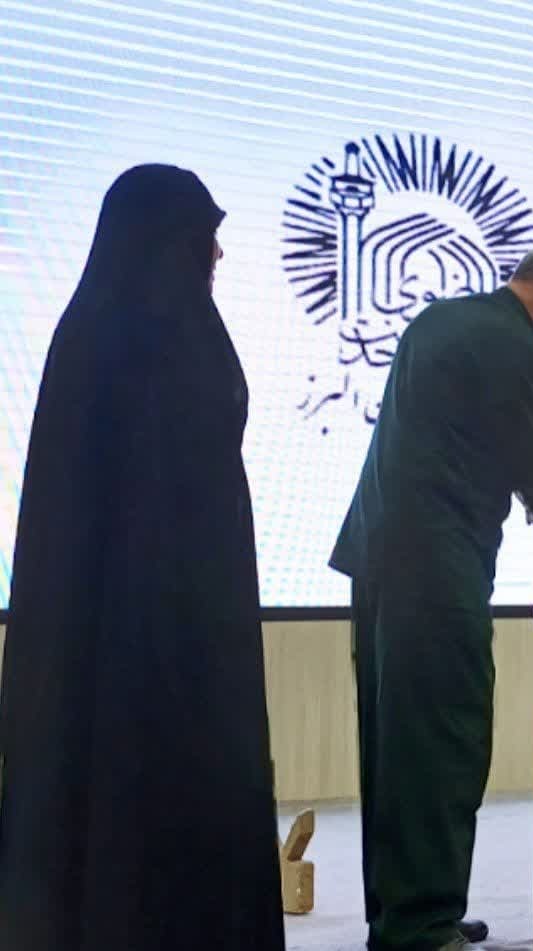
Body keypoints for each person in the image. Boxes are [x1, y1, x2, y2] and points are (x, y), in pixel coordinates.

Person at [0, 165, 284, 950]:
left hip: (94, 639)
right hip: (177, 642)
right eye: (204, 236)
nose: (217, 254)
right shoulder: (171, 340)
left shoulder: (89, 330)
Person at [330, 242, 533, 951]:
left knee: (396, 742)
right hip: (436, 565)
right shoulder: (514, 349)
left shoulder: (440, 320)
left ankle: (402, 912)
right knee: (445, 737)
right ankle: (422, 924)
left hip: (381, 554)